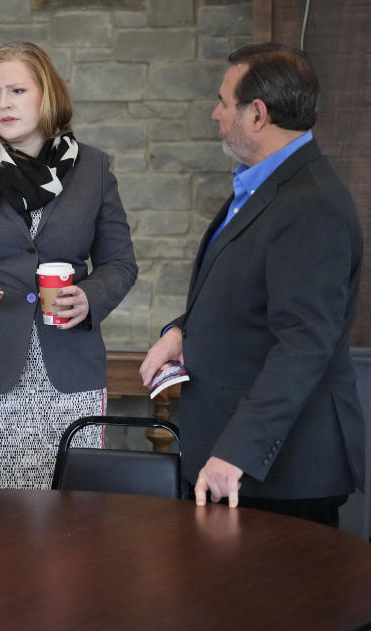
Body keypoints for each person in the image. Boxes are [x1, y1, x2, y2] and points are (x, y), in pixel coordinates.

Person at [139, 43, 364, 526]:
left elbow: (304, 343)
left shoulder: (311, 203)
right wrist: (181, 331)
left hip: (277, 476)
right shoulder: (262, 186)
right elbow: (245, 295)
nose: (216, 114)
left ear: (257, 113)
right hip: (238, 465)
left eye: (224, 102)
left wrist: (236, 454)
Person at [0, 41, 137, 489]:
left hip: (68, 374)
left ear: (46, 95)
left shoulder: (92, 167)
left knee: (70, 522)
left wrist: (90, 297)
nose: (3, 104)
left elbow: (119, 262)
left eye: (16, 90)